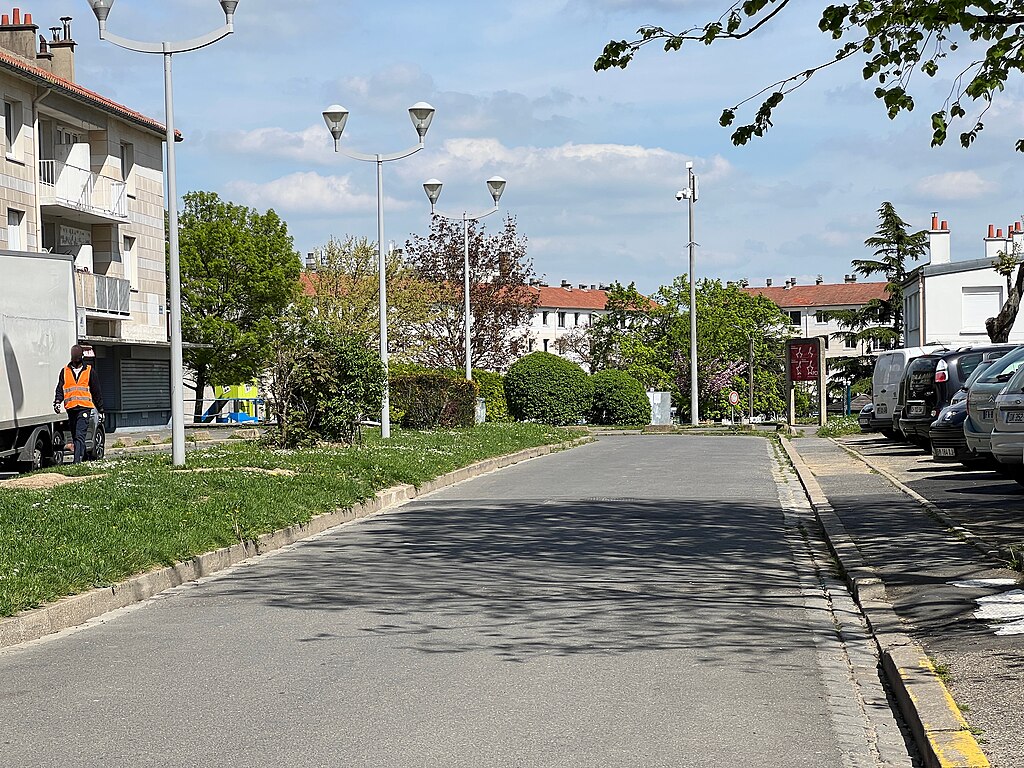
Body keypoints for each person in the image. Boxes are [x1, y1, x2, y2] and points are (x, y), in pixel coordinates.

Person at [53, 345, 104, 463]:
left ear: (82, 356)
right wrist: (57, 401)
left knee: (80, 434)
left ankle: (77, 461)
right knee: (76, 434)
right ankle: (85, 456)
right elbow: (60, 388)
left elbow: (96, 392)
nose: (76, 358)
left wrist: (101, 409)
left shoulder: (89, 371)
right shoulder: (65, 371)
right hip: (71, 408)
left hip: (84, 408)